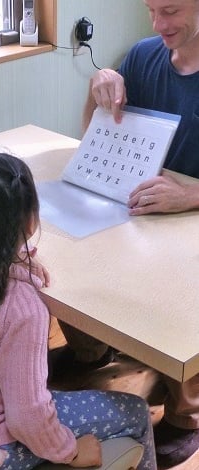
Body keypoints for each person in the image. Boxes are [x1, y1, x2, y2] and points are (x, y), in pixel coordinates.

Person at [0, 152, 157, 469]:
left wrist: (19, 260)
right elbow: (26, 416)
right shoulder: (21, 306)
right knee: (135, 412)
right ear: (30, 221)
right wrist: (72, 451)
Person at [53, 0, 199, 467]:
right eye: (152, 10)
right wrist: (96, 90)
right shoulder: (141, 56)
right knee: (60, 246)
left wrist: (192, 196)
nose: (159, 25)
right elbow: (92, 139)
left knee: (183, 282)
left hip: (187, 218)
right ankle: (92, 351)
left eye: (171, 10)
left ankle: (187, 410)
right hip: (139, 209)